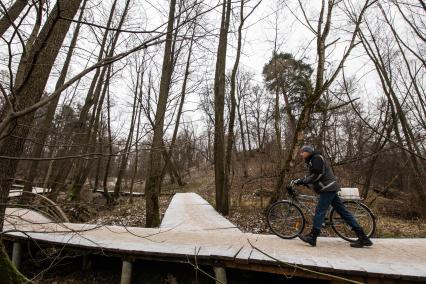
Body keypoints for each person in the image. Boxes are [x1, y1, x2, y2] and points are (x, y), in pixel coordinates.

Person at [291, 145, 373, 248]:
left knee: (320, 211)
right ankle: (363, 238)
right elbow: (313, 175)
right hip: (330, 187)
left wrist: (304, 181)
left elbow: (318, 175)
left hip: (328, 188)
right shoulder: (313, 159)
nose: (301, 154)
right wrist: (302, 180)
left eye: (302, 152)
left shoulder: (316, 158)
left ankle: (313, 237)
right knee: (344, 212)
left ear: (308, 152)